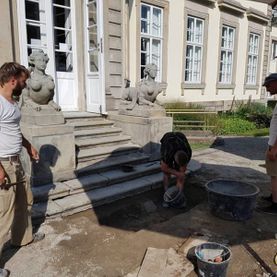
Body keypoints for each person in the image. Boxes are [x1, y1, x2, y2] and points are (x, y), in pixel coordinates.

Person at [0, 62, 45, 277]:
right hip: (3, 163)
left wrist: (28, 146)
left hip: (15, 161)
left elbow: (13, 130)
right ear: (12, 80)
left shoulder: (11, 102)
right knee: (3, 213)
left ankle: (22, 238)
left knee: (24, 201)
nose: (25, 85)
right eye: (23, 81)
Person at [260, 73, 277, 215]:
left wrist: (274, 149)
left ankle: (275, 205)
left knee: (275, 175)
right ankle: (273, 197)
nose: (267, 89)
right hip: (273, 145)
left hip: (275, 147)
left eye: (269, 86)